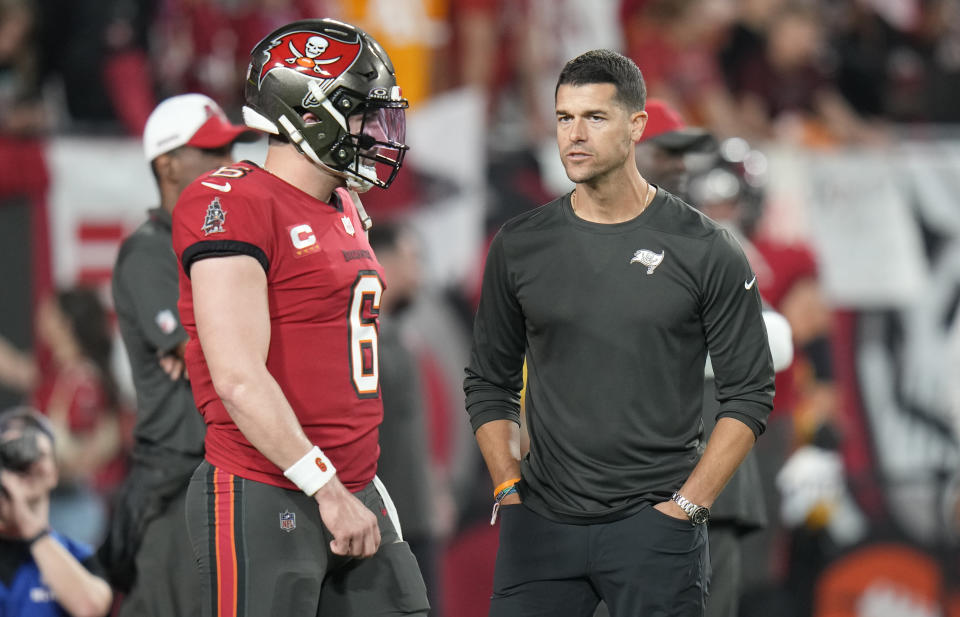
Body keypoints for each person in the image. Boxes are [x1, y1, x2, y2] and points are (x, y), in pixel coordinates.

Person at [463, 49, 775, 617]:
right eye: (564, 118)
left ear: (636, 126)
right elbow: (488, 381)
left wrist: (688, 506)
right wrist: (508, 488)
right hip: (540, 528)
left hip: (656, 528)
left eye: (595, 117)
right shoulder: (518, 244)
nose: (574, 135)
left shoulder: (707, 248)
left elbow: (750, 393)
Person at [170, 18, 429, 617]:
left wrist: (351, 485)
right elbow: (237, 376)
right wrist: (326, 487)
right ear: (309, 113)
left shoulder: (341, 201)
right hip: (267, 487)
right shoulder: (234, 201)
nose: (375, 130)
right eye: (362, 113)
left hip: (354, 482)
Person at [632, 99, 794, 617]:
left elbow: (772, 341)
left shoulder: (702, 238)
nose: (680, 167)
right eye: (667, 152)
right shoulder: (578, 235)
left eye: (685, 154)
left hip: (706, 478)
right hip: (616, 487)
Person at [101, 93, 254, 615]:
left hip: (227, 477)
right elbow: (205, 351)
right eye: (211, 154)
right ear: (167, 164)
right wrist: (215, 341)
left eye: (230, 152)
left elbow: (223, 352)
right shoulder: (148, 249)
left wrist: (221, 340)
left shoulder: (221, 246)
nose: (228, 166)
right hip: (175, 485)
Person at [0, 288, 124, 547]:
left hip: (74, 508)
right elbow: (13, 366)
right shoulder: (57, 371)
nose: (41, 316)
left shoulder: (82, 382)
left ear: (64, 323)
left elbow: (78, 458)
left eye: (49, 312)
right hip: (50, 504)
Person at [0, 406, 113, 617]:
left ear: (54, 473)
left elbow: (91, 607)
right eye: (11, 454)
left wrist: (31, 529)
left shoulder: (78, 555)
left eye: (36, 454)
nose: (24, 463)